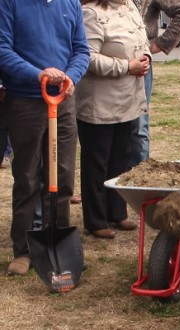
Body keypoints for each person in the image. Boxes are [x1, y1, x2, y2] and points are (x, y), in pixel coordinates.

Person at [0, 0, 90, 275]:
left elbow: (81, 50)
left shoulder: (70, 3)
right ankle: (24, 248)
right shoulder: (10, 3)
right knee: (27, 176)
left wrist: (71, 76)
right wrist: (37, 73)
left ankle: (58, 241)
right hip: (26, 100)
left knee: (61, 174)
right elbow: (2, 49)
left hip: (62, 101)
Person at [77, 0, 151, 239]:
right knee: (97, 162)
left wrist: (146, 55)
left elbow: (142, 39)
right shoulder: (91, 13)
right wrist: (126, 66)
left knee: (120, 158)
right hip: (100, 103)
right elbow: (87, 58)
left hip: (127, 100)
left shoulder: (130, 6)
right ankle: (96, 220)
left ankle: (117, 213)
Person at [128, 0, 180, 168]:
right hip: (105, 63)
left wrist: (159, 44)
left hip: (139, 64)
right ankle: (106, 187)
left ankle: (138, 183)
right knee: (102, 127)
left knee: (138, 126)